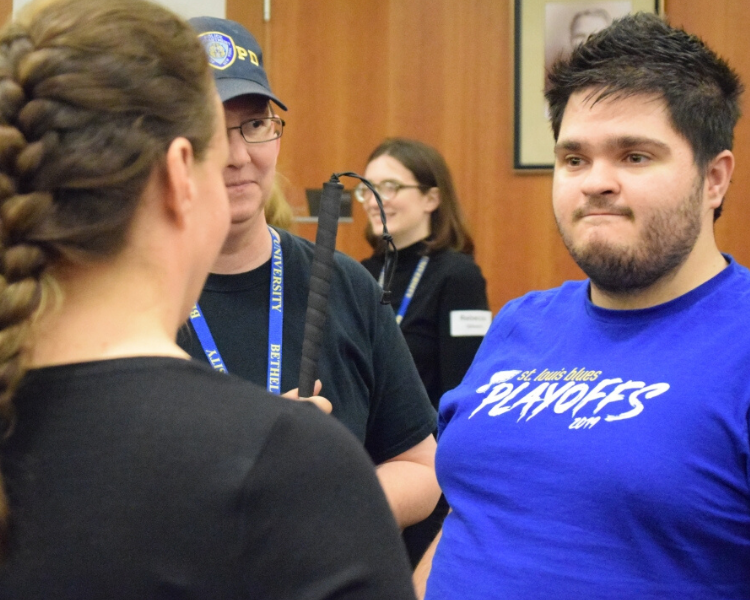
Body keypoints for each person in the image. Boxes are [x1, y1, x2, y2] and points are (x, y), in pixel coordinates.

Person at [0, 0, 419, 597]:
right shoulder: (295, 462)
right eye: (217, 140)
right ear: (179, 174)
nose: (241, 157)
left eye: (255, 126)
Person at [419, 13, 750, 600]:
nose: (596, 181)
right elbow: (471, 515)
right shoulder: (519, 323)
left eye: (635, 156)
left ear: (714, 179)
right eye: (574, 159)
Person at [179, 16, 440, 532]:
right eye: (207, 128)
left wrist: (326, 502)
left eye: (254, 125)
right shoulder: (130, 297)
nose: (238, 157)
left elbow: (422, 469)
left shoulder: (344, 284)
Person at [358, 139, 490, 565]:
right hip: (365, 470)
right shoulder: (357, 275)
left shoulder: (458, 275)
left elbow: (464, 390)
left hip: (431, 478)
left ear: (432, 198)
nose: (376, 200)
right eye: (367, 188)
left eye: (391, 186)